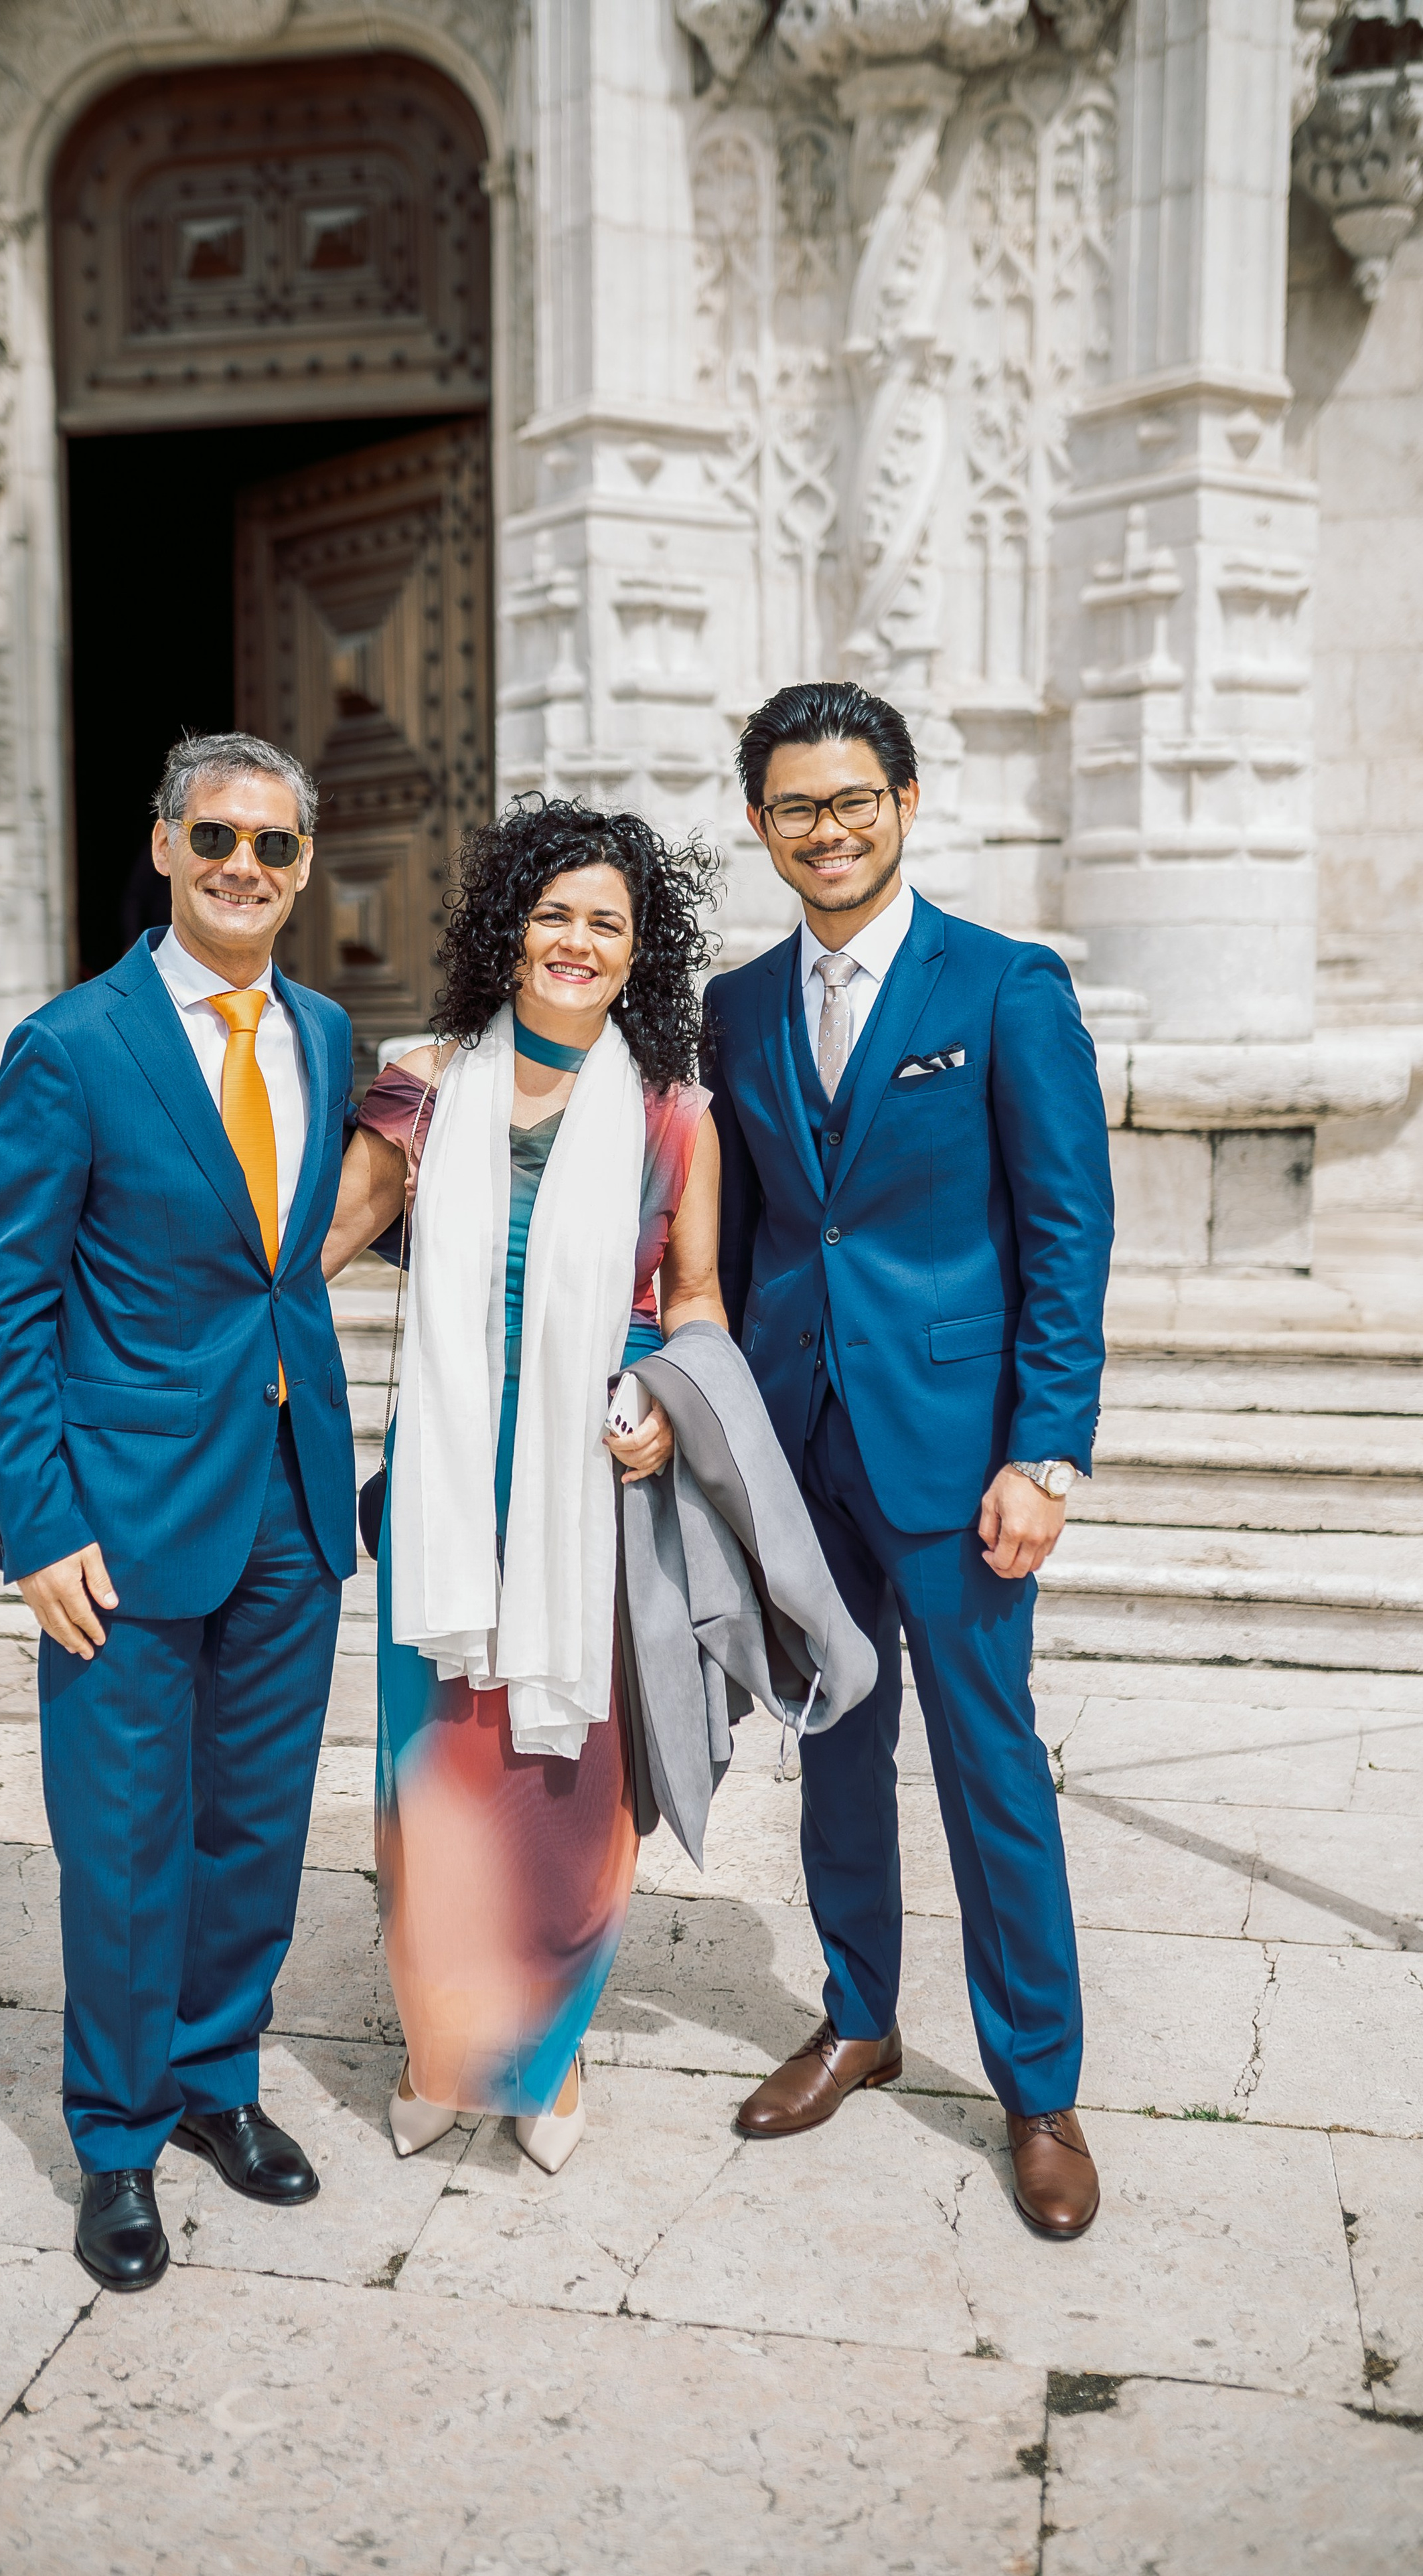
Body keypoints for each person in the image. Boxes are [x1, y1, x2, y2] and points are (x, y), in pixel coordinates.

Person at [703, 681, 1115, 2239]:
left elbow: (1065, 1236)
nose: (827, 829)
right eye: (796, 807)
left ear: (906, 800)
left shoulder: (1004, 988)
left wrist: (1044, 1454)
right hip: (799, 1443)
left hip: (958, 1457)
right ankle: (858, 2016)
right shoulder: (737, 1007)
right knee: (831, 1749)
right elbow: (742, 1243)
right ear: (759, 825)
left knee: (989, 1764)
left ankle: (1038, 2089)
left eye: (853, 800)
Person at [0, 730, 356, 2291]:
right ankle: (116, 2140)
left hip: (290, 1501)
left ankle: (215, 2084)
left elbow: (301, 1252)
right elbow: (9, 1302)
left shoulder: (325, 1030)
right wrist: (40, 1519)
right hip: (116, 1518)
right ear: (165, 847)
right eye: (216, 840)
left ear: (304, 865)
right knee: (124, 1843)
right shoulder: (74, 1042)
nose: (243, 866)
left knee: (253, 1829)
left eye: (271, 844)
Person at [325, 798, 724, 2172]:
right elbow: (318, 1243)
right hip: (447, 1473)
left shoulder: (674, 1116)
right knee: (434, 1780)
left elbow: (700, 1304)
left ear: (637, 953)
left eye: (604, 922)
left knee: (567, 1784)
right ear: (509, 930)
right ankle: (444, 2050)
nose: (574, 939)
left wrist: (667, 1413)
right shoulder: (425, 1080)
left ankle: (542, 2063)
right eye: (552, 911)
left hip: (590, 1488)